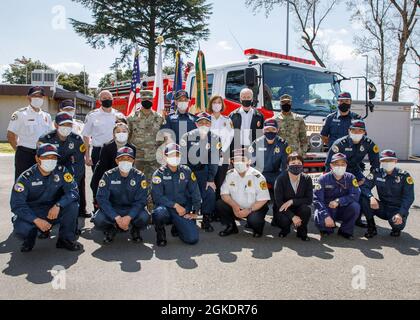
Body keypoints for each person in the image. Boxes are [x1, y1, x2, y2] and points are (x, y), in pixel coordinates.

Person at [10, 143, 82, 252]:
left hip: (52, 210)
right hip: (32, 211)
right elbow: (17, 205)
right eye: (46, 157)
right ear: (37, 158)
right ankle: (29, 239)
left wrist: (59, 205)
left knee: (72, 205)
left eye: (53, 157)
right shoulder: (26, 178)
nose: (50, 160)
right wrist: (36, 220)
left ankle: (65, 239)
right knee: (21, 229)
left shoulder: (61, 171)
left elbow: (73, 191)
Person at [325, 119, 380, 227]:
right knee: (335, 192)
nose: (357, 133)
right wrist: (334, 180)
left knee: (363, 192)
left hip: (355, 170)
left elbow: (376, 167)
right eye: (354, 130)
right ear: (349, 130)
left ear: (364, 132)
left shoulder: (369, 143)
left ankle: (358, 219)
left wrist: (367, 180)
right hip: (339, 171)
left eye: (360, 131)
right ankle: (331, 216)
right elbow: (328, 164)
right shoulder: (340, 143)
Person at [94, 147, 149, 244]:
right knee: (99, 219)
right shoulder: (108, 175)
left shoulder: (139, 176)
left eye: (128, 159)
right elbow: (102, 199)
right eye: (122, 159)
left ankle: (135, 229)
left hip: (131, 209)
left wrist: (129, 217)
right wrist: (117, 217)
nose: (125, 161)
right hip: (114, 209)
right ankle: (111, 228)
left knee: (144, 217)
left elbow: (141, 200)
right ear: (116, 160)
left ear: (133, 161)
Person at [39, 112, 87, 221]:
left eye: (69, 125)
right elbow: (40, 162)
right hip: (49, 169)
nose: (66, 128)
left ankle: (71, 223)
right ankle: (45, 223)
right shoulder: (46, 139)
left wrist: (74, 181)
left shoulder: (77, 139)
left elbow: (79, 164)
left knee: (72, 194)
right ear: (56, 125)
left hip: (67, 168)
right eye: (63, 125)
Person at [151, 143, 202, 247]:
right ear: (165, 157)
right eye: (171, 155)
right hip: (167, 208)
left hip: (183, 210)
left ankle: (178, 226)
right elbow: (157, 196)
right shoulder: (159, 174)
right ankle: (161, 233)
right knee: (158, 213)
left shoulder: (186, 171)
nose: (175, 157)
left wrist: (195, 211)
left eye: (177, 155)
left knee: (192, 239)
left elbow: (195, 191)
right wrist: (175, 205)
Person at [180, 112, 221, 232]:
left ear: (210, 124)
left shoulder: (215, 138)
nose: (204, 124)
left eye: (207, 122)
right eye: (201, 122)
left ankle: (206, 218)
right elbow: (182, 160)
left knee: (210, 192)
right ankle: (186, 216)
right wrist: (185, 178)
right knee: (185, 193)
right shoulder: (186, 137)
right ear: (196, 124)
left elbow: (214, 160)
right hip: (188, 171)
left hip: (204, 171)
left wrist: (210, 179)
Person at [361, 150, 415, 238]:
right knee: (364, 198)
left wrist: (401, 214)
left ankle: (396, 229)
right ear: (380, 162)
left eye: (390, 160)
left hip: (396, 209)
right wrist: (371, 197)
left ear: (396, 161)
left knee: (398, 225)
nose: (388, 163)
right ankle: (371, 227)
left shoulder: (404, 176)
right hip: (382, 207)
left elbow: (409, 197)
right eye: (385, 161)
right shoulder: (377, 173)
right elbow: (364, 187)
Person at [217, 149, 271, 238]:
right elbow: (224, 194)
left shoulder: (257, 176)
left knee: (254, 220)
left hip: (255, 207)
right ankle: (231, 227)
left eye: (242, 160)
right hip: (237, 207)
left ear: (249, 161)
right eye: (236, 160)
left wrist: (248, 210)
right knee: (220, 204)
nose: (239, 163)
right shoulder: (230, 174)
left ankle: (258, 229)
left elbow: (263, 199)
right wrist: (234, 206)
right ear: (232, 161)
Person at [7, 86, 53, 180]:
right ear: (28, 97)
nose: (38, 98)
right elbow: (10, 135)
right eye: (35, 95)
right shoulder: (20, 114)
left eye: (40, 96)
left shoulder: (46, 116)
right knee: (22, 181)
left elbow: (50, 136)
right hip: (25, 154)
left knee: (41, 182)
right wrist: (19, 150)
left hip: (42, 154)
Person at [90, 122, 136, 212]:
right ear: (114, 134)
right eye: (118, 131)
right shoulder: (107, 147)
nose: (121, 133)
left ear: (128, 133)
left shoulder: (132, 148)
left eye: (124, 131)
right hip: (108, 179)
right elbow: (100, 172)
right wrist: (97, 199)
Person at [314, 153, 361, 240]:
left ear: (346, 165)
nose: (340, 166)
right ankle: (326, 229)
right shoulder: (323, 179)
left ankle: (345, 230)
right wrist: (326, 216)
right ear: (331, 165)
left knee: (355, 207)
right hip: (328, 208)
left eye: (342, 164)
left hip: (343, 208)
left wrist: (339, 201)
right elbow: (317, 199)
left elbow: (355, 195)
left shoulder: (351, 178)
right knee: (320, 217)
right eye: (336, 164)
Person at [249, 118, 291, 216]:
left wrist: (282, 179)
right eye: (267, 129)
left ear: (277, 130)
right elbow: (250, 163)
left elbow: (285, 165)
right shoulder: (256, 143)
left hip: (276, 174)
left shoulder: (283, 144)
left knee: (282, 189)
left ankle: (278, 215)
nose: (270, 132)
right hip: (260, 174)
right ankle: (255, 213)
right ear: (263, 130)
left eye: (273, 129)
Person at [81, 90, 125, 172]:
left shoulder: (119, 115)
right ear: (99, 101)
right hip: (98, 152)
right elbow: (86, 136)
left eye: (109, 98)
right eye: (104, 98)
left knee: (116, 180)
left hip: (116, 151)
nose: (107, 99)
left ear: (112, 99)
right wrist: (87, 156)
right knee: (98, 181)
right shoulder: (92, 115)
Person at [273, 153, 313, 241]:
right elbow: (279, 202)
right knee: (284, 220)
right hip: (283, 208)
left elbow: (309, 200)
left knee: (306, 210)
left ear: (302, 165)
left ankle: (301, 232)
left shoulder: (307, 179)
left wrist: (292, 201)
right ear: (287, 165)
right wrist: (293, 216)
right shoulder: (280, 179)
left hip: (299, 207)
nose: (296, 165)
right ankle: (285, 230)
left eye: (299, 163)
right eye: (293, 163)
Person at [57, 100, 87, 217]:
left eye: (71, 109)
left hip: (77, 159)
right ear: (60, 110)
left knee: (80, 184)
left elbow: (85, 140)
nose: (69, 112)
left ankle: (81, 210)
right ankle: (61, 210)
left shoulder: (79, 124)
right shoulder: (56, 123)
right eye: (66, 109)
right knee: (60, 185)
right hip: (62, 158)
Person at [127, 90, 165, 181]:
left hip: (154, 160)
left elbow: (163, 138)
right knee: (137, 184)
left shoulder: (159, 118)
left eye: (149, 99)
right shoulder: (131, 118)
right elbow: (127, 138)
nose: (147, 101)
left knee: (154, 185)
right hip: (137, 159)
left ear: (152, 100)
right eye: (144, 99)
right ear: (140, 100)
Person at [208, 96, 234, 202]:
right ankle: (210, 209)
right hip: (209, 155)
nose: (217, 104)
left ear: (222, 105)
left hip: (223, 155)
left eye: (219, 102)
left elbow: (230, 136)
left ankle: (219, 208)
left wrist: (222, 151)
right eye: (214, 102)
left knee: (221, 181)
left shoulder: (227, 120)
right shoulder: (207, 119)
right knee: (210, 181)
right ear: (211, 104)